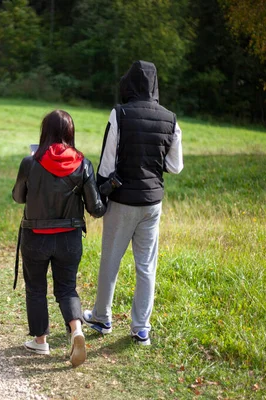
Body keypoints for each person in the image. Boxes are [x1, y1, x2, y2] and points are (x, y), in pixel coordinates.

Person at [83, 60, 183, 345]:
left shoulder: (120, 113)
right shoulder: (171, 119)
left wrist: (101, 191)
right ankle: (141, 328)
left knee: (111, 260)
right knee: (146, 265)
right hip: (153, 204)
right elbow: (175, 166)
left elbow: (106, 164)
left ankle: (102, 317)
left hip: (123, 200)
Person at [12, 110, 106, 367]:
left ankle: (40, 341)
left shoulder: (29, 162)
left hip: (35, 237)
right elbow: (96, 208)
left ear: (45, 132)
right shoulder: (83, 164)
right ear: (70, 133)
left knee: (36, 288)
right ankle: (76, 330)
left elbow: (18, 197)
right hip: (69, 238)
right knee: (66, 288)